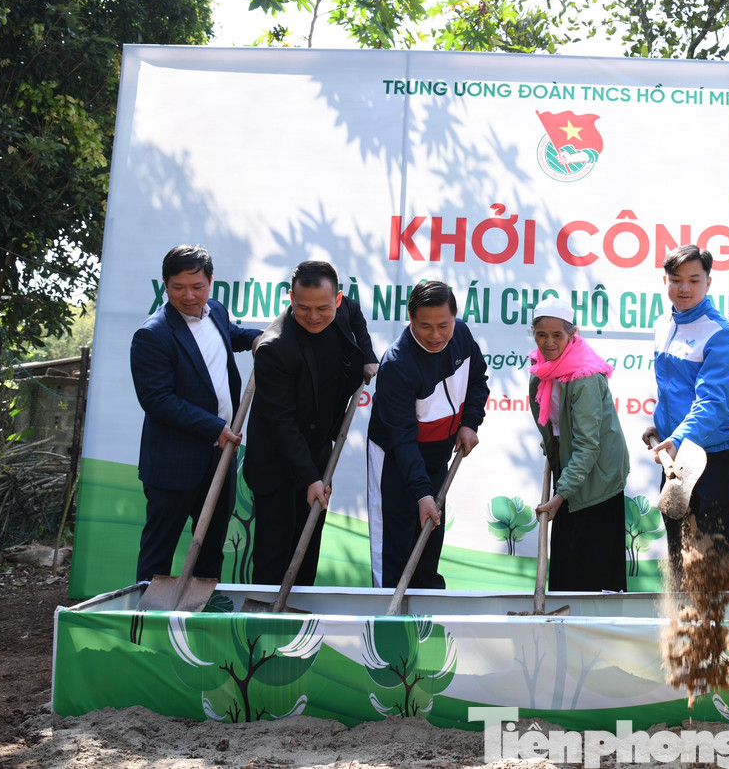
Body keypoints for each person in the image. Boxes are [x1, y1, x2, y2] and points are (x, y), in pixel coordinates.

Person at [130, 245, 261, 583]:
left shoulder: (214, 310)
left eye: (197, 286)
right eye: (178, 287)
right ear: (165, 284)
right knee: (160, 549)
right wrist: (214, 426)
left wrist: (256, 339)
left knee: (211, 546)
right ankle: (146, 625)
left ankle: (200, 624)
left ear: (211, 282)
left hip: (220, 456)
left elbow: (227, 336)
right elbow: (157, 400)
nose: (188, 296)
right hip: (173, 463)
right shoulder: (152, 334)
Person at [244, 261, 379, 587]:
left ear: (336, 299)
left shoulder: (342, 309)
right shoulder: (274, 348)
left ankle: (299, 625)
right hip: (276, 461)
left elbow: (356, 315)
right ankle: (262, 624)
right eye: (303, 307)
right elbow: (282, 424)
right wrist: (310, 479)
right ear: (291, 297)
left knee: (306, 552)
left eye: (323, 307)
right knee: (275, 555)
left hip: (317, 450)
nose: (314, 316)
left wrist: (368, 355)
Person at [366, 280, 489, 589]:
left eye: (443, 326)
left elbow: (477, 380)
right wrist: (422, 493)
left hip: (438, 454)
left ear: (455, 318)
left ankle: (428, 619)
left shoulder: (461, 335)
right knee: (395, 551)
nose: (435, 336)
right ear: (410, 319)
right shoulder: (398, 364)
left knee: (429, 543)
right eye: (425, 326)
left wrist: (470, 423)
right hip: (395, 460)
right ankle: (386, 620)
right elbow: (403, 439)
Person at [643, 244, 729, 567]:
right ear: (665, 281)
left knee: (710, 553)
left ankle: (712, 618)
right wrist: (662, 427)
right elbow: (671, 388)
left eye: (694, 280)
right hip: (675, 453)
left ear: (708, 282)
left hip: (715, 453)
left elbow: (712, 404)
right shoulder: (662, 325)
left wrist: (676, 438)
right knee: (678, 544)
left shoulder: (721, 335)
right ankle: (680, 618)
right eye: (676, 280)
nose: (684, 288)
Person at [527, 298, 630, 591]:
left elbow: (588, 446)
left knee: (590, 569)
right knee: (566, 560)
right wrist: (554, 443)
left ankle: (593, 631)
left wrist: (560, 497)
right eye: (541, 335)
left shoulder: (583, 375)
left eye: (557, 335)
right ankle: (564, 630)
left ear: (572, 335)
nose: (548, 342)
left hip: (598, 477)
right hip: (572, 467)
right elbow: (557, 419)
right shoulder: (542, 367)